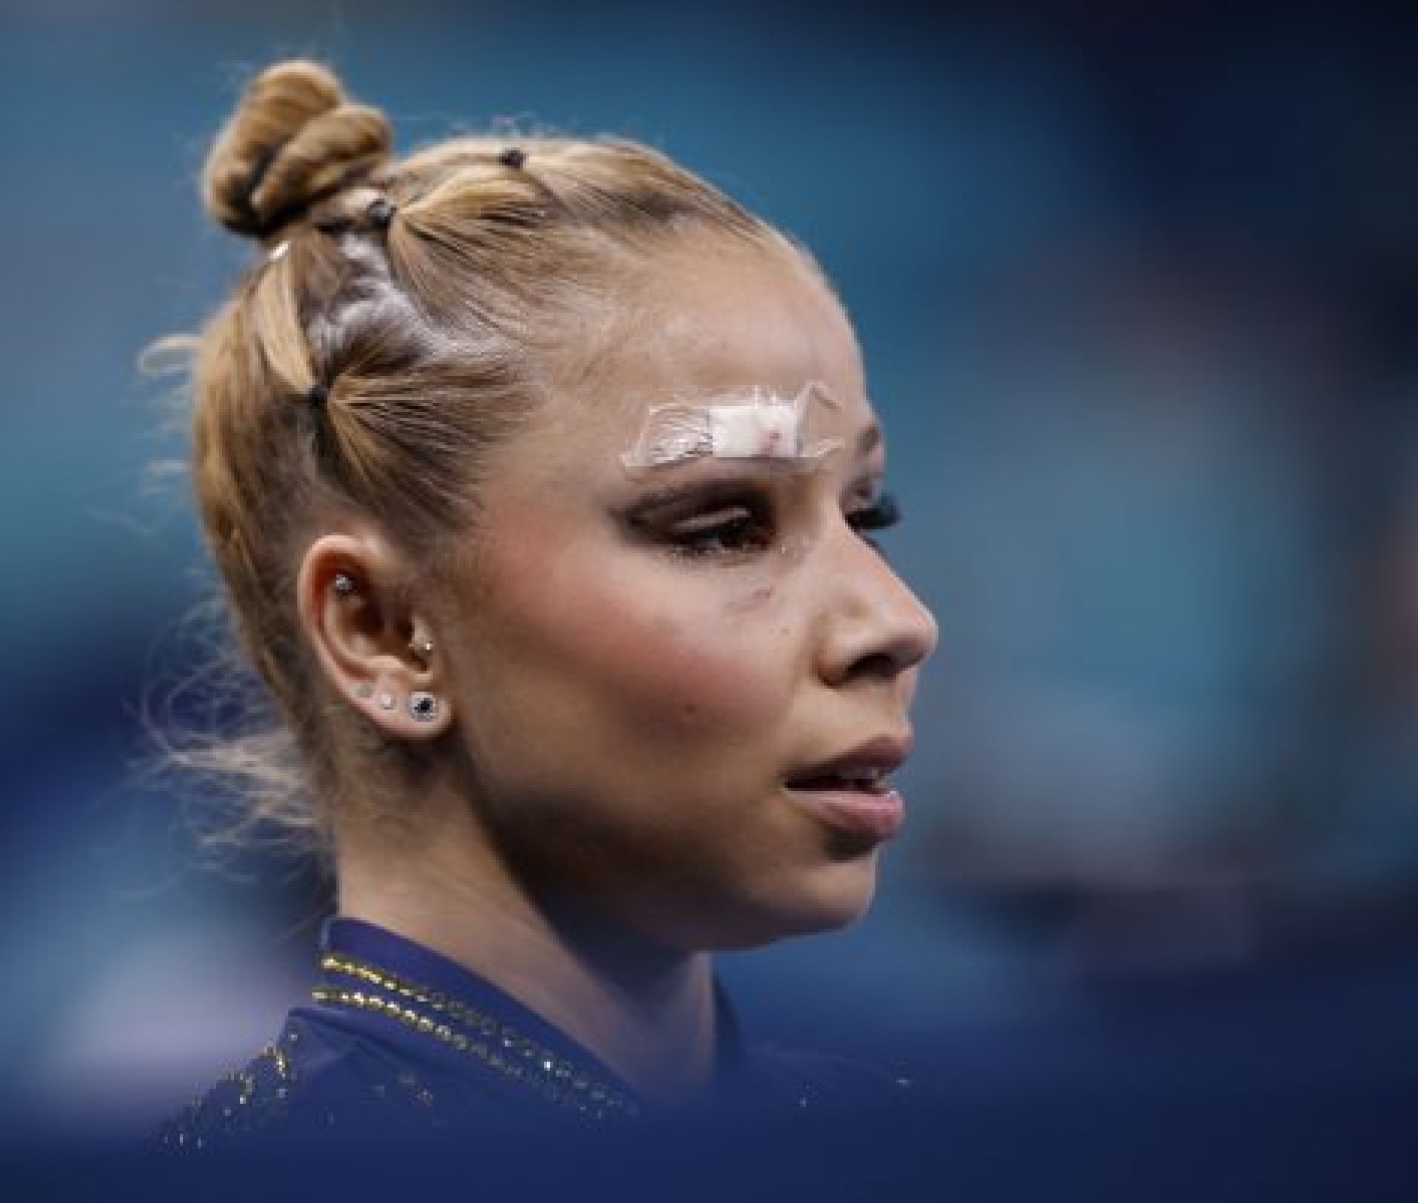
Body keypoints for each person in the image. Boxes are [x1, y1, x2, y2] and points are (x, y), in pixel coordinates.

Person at [159, 59, 938, 1148]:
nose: (896, 622)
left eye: (867, 512)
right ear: (382, 633)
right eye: (722, 527)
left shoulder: (911, 1151)